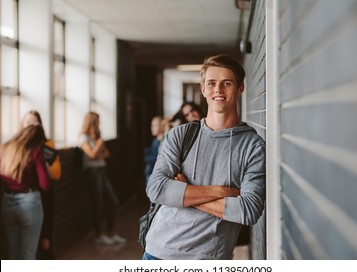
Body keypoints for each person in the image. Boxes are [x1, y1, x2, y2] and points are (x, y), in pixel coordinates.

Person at [143, 54, 266, 260]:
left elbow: (248, 210)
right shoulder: (181, 135)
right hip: (158, 253)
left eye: (226, 83)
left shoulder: (253, 146)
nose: (218, 90)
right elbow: (156, 189)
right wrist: (222, 192)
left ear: (240, 88)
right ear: (203, 89)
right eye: (211, 83)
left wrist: (184, 193)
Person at [0, 125, 51, 259]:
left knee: (13, 252)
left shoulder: (5, 149)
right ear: (38, 141)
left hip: (7, 201)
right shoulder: (35, 152)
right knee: (27, 254)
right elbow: (45, 185)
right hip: (29, 202)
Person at [78, 111, 126, 245]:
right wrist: (99, 144)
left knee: (113, 201)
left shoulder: (97, 136)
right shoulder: (84, 138)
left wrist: (98, 151)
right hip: (92, 172)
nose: (100, 123)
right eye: (98, 120)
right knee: (97, 203)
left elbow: (107, 154)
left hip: (101, 170)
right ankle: (99, 235)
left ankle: (111, 232)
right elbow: (92, 155)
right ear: (93, 122)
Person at [21, 110, 62, 259]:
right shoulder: (17, 146)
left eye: (34, 123)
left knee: (45, 241)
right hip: (25, 197)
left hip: (44, 196)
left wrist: (40, 159)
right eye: (27, 123)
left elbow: (56, 174)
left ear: (40, 125)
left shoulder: (47, 145)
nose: (30, 126)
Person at [144, 116, 164, 184]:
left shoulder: (162, 142)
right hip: (150, 172)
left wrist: (146, 157)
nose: (152, 128)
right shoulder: (155, 140)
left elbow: (157, 158)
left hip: (155, 175)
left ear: (162, 126)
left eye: (155, 125)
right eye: (152, 125)